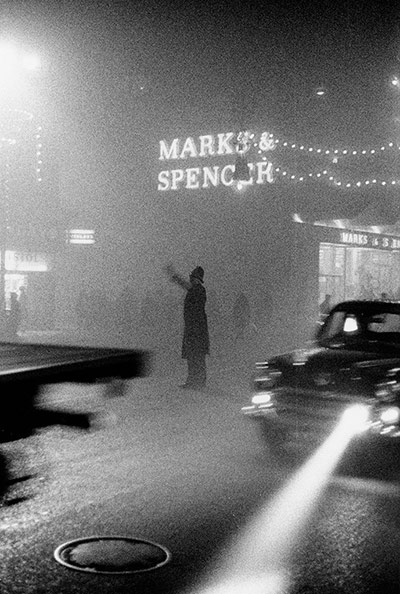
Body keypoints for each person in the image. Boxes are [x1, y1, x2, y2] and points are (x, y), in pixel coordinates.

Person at [165, 264, 210, 389]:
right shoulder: (197, 290)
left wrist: (175, 277)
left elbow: (187, 287)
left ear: (196, 278)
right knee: (194, 356)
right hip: (195, 328)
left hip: (196, 329)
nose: (190, 279)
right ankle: (195, 381)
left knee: (196, 356)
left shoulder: (199, 290)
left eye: (192, 277)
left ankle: (197, 381)